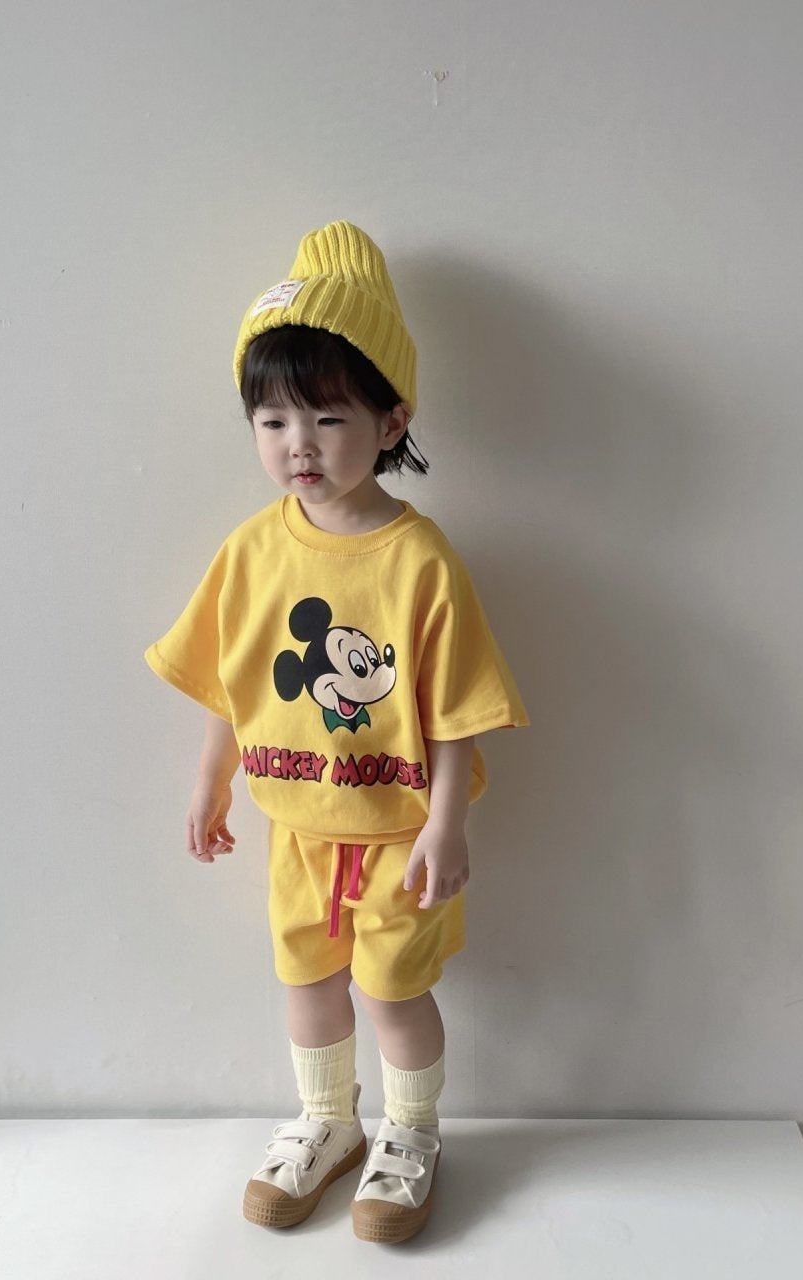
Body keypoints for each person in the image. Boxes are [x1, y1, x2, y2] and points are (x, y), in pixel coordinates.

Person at [143, 220, 529, 1244]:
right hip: (299, 831)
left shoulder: (421, 561)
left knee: (392, 992)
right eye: (272, 419)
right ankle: (328, 1120)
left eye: (326, 415)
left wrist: (447, 822)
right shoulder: (252, 550)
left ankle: (412, 1133)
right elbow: (232, 680)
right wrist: (211, 781)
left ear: (392, 417)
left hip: (397, 834)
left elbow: (455, 708)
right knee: (307, 981)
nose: (298, 445)